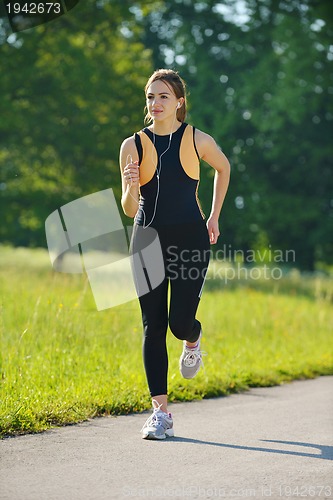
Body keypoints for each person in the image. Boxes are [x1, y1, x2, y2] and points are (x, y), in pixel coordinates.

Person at [119, 69, 230, 440]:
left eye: (163, 96)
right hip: (146, 238)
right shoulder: (132, 145)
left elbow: (224, 167)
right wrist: (132, 186)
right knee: (153, 323)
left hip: (190, 239)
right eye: (151, 96)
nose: (156, 103)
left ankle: (193, 340)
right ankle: (160, 413)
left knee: (178, 323)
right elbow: (128, 207)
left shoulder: (197, 139)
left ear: (179, 101)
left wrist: (213, 216)